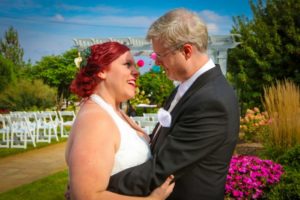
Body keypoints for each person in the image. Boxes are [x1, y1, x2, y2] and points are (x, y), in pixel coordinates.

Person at [108, 8, 240, 200]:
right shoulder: (187, 88)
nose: (157, 62)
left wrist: (97, 187)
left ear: (186, 51)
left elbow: (162, 169)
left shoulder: (212, 101)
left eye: (160, 55)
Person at [65, 41, 174, 200]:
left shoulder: (113, 112)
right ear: (102, 70)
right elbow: (85, 196)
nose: (136, 72)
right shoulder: (97, 120)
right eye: (127, 64)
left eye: (135, 66)